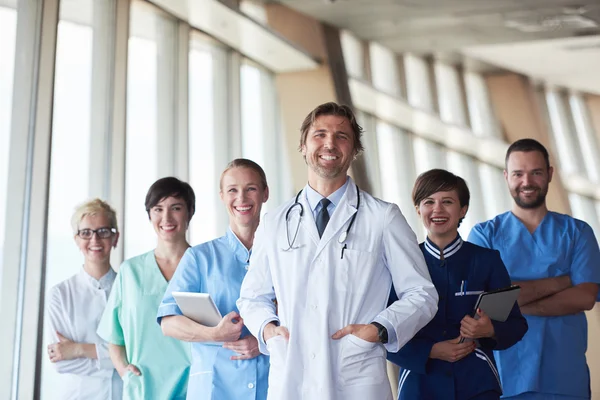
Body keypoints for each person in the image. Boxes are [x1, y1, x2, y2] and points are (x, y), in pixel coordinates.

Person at [237, 102, 438, 400]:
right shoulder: (275, 222)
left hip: (355, 377)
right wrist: (267, 329)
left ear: (354, 149)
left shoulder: (383, 218)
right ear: (303, 146)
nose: (330, 143)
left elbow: (422, 293)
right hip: (292, 377)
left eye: (342, 136)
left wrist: (380, 329)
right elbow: (252, 296)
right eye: (319, 134)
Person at [468, 138, 600, 400]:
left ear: (549, 174)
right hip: (504, 377)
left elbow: (585, 296)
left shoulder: (578, 232)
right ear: (506, 177)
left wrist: (514, 305)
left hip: (564, 377)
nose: (526, 182)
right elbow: (487, 304)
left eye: (536, 172)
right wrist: (563, 281)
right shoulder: (485, 235)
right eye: (518, 173)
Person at [387, 169, 527, 400]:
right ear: (418, 209)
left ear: (463, 209)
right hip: (419, 386)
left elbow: (516, 325)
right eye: (429, 201)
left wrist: (489, 329)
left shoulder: (487, 261)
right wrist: (430, 351)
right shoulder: (400, 263)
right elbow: (385, 332)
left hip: (477, 384)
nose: (437, 209)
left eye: (448, 202)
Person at [158, 159, 271, 400]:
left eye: (250, 188)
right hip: (215, 389)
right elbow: (168, 322)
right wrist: (215, 335)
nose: (241, 198)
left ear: (265, 193)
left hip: (271, 385)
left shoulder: (283, 254)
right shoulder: (199, 258)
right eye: (232, 190)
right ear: (222, 196)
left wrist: (262, 341)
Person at [97, 177, 196, 399]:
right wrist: (124, 371)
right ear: (150, 215)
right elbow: (114, 338)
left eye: (176, 208)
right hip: (143, 390)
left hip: (195, 388)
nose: (166, 217)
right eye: (158, 209)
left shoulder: (205, 266)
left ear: (190, 212)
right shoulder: (130, 272)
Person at [45, 199, 123, 399]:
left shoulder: (129, 289)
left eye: (103, 231)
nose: (95, 240)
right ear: (76, 240)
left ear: (115, 238)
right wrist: (117, 359)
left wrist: (79, 349)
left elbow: (139, 351)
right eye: (86, 233)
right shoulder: (60, 294)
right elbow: (62, 362)